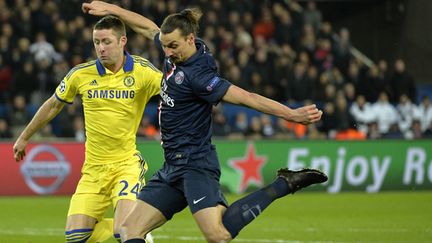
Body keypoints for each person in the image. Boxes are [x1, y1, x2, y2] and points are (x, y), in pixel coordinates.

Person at [83, 2, 328, 243]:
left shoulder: (199, 76)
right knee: (128, 231)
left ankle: (282, 185)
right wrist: (112, 9)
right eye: (165, 46)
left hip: (195, 165)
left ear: (190, 39)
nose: (167, 52)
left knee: (217, 235)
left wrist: (291, 114)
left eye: (173, 46)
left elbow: (246, 97)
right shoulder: (177, 51)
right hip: (172, 167)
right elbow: (148, 28)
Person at [13, 15, 161, 243]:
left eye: (106, 42)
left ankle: (133, 227)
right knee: (76, 237)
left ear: (123, 41)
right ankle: (139, 226)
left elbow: (175, 92)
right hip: (93, 170)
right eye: (96, 42)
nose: (100, 48)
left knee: (126, 233)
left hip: (126, 165)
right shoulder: (80, 74)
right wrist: (24, 137)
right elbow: (53, 104)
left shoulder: (142, 71)